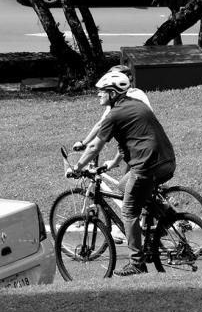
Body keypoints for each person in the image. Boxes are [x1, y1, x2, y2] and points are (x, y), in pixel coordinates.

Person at [67, 71, 176, 276]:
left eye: (102, 92)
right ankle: (167, 215)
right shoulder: (137, 106)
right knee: (123, 186)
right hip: (167, 162)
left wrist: (77, 168)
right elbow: (131, 140)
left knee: (128, 211)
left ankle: (137, 263)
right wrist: (114, 162)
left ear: (112, 93)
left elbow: (94, 148)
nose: (98, 95)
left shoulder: (114, 114)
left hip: (147, 166)